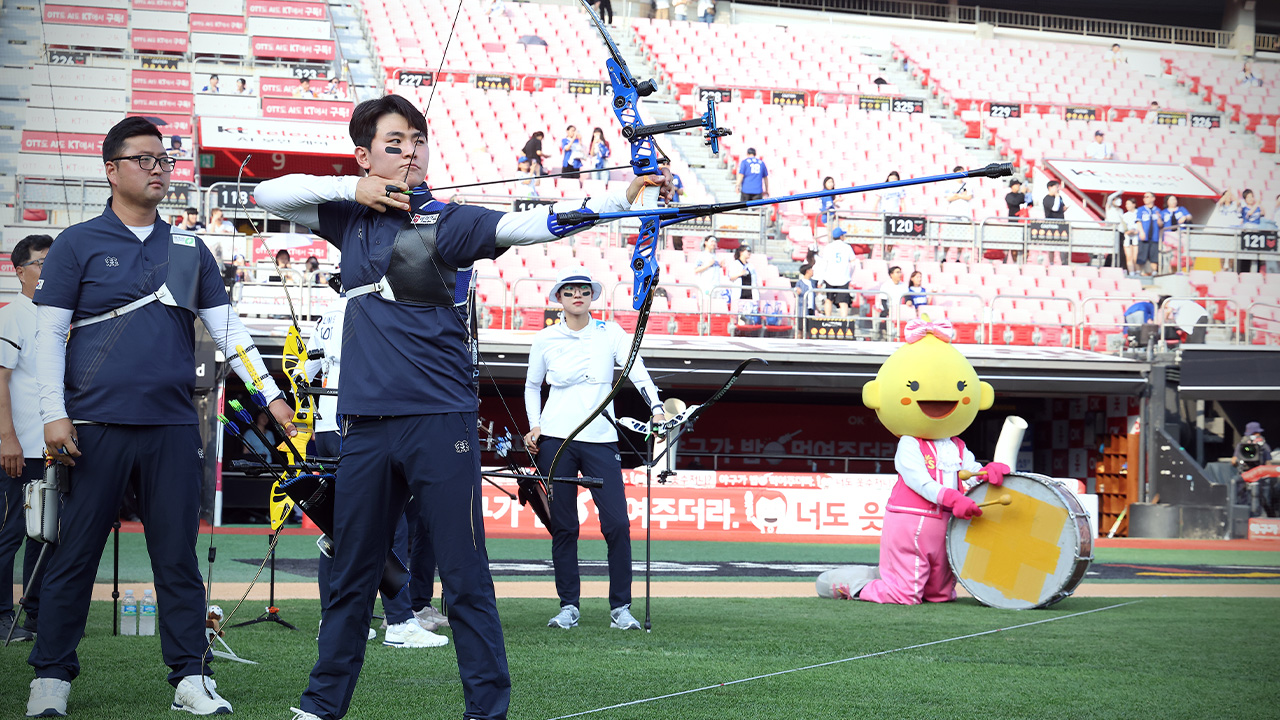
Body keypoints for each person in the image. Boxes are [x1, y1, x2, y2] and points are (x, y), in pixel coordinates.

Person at [252, 94, 674, 720]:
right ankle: (320, 706)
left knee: (465, 575)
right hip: (364, 426)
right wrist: (353, 188)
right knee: (351, 575)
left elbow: (532, 224)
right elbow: (267, 194)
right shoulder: (349, 217)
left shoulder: (448, 222)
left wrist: (619, 197)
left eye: (418, 141)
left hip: (438, 422)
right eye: (394, 143)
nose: (410, 152)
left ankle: (486, 710)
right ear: (364, 155)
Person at [28, 117, 293, 717]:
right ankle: (51, 678)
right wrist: (53, 414)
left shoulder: (189, 249)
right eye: (143, 159)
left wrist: (270, 394)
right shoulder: (76, 243)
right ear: (111, 169)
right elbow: (48, 337)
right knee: (75, 556)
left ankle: (190, 677)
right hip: (92, 425)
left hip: (173, 427)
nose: (158, 169)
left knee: (177, 559)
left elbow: (229, 331)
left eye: (164, 161)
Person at [303, 289, 448, 649]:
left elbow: (306, 370)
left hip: (328, 425)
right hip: (358, 422)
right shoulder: (373, 306)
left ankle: (333, 619)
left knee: (338, 524)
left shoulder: (328, 313)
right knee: (389, 521)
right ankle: (399, 621)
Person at [523, 269, 664, 631]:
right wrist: (535, 425)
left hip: (602, 438)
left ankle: (621, 608)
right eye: (570, 291)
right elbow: (532, 386)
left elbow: (636, 370)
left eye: (584, 291)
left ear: (591, 297)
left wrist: (657, 407)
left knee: (617, 524)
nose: (577, 295)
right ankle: (568, 606)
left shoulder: (611, 332)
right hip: (556, 439)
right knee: (564, 526)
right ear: (559, 298)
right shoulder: (545, 338)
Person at [0, 234, 54, 645]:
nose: (47, 270)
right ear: (20, 272)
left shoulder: (56, 316)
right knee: (9, 533)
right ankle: (2, 615)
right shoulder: (11, 316)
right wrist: (7, 439)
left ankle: (34, 614)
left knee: (44, 533)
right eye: (41, 263)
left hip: (50, 448)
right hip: (17, 447)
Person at [815, 227, 854, 317]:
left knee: (829, 299)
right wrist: (850, 275)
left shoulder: (828, 247)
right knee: (843, 301)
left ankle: (828, 318)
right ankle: (844, 320)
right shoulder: (847, 247)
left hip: (830, 277)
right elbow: (853, 263)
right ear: (841, 236)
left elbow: (824, 264)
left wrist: (820, 280)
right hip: (843, 277)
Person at [1135, 191, 1163, 276]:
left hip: (1154, 237)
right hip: (1144, 236)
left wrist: (1159, 218)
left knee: (1154, 256)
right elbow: (1138, 222)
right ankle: (1138, 272)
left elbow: (1161, 224)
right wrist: (1141, 232)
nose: (1145, 199)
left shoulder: (1158, 210)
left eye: (1147, 197)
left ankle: (1154, 272)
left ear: (1153, 198)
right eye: (1144, 197)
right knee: (1141, 255)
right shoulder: (1141, 209)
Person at [1161, 196, 1192, 271]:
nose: (1174, 201)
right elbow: (1160, 223)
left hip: (1181, 234)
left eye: (1174, 199)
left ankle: (1183, 270)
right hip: (1169, 235)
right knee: (1170, 255)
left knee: (1183, 253)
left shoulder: (1181, 209)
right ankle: (1170, 271)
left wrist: (1185, 217)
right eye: (1171, 200)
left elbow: (1189, 216)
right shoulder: (1164, 212)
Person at [727, 244, 757, 318]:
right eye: (747, 251)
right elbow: (731, 277)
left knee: (750, 316)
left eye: (750, 251)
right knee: (739, 317)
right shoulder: (735, 264)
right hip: (739, 294)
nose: (749, 253)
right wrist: (740, 274)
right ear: (741, 252)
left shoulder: (751, 266)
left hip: (750, 294)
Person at [692, 235, 721, 300]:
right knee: (706, 304)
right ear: (706, 242)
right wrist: (708, 265)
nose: (713, 243)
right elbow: (696, 269)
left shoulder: (715, 256)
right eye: (712, 241)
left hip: (716, 286)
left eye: (715, 242)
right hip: (706, 286)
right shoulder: (701, 255)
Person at [1121, 197, 1140, 274]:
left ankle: (1137, 271)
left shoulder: (1138, 213)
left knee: (1136, 257)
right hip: (1127, 237)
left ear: (1134, 204)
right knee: (1129, 256)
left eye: (1129, 204)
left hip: (1137, 237)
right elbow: (1123, 227)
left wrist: (1136, 231)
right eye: (1126, 204)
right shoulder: (1125, 215)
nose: (1127, 205)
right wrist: (1127, 231)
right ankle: (1131, 272)